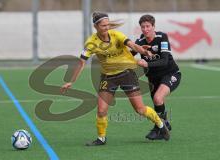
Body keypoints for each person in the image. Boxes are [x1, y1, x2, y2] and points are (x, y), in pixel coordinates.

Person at [60, 12, 170, 146]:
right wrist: (71, 81)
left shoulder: (116, 35)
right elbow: (81, 62)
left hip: (127, 74)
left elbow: (133, 46)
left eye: (108, 25)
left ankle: (160, 124)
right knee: (101, 110)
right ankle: (101, 138)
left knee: (140, 109)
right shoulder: (91, 43)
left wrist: (144, 52)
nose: (106, 28)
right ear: (96, 26)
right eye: (103, 25)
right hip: (108, 77)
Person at [133, 14, 181, 140]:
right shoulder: (140, 42)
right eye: (143, 27)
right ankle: (164, 126)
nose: (145, 29)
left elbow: (165, 61)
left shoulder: (162, 37)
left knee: (158, 98)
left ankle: (158, 128)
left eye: (148, 26)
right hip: (153, 78)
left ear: (154, 26)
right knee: (157, 102)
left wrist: (146, 63)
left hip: (171, 73)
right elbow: (128, 54)